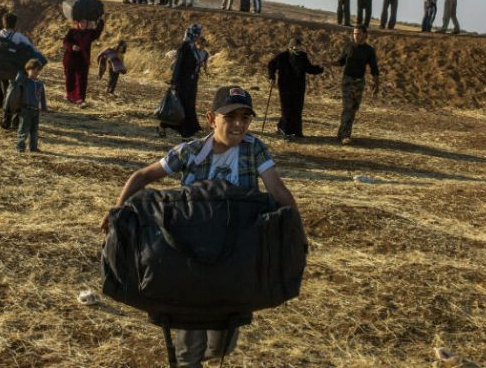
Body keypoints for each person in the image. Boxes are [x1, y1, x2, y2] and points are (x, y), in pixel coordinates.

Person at [100, 85, 298, 368]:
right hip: (188, 257)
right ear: (211, 119)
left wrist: (295, 230)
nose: (239, 124)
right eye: (230, 117)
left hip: (234, 259)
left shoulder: (254, 149)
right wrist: (118, 211)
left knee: (223, 343)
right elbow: (142, 176)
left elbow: (278, 190)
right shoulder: (190, 152)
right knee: (189, 344)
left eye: (245, 117)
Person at [322, 25, 379, 144]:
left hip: (359, 82)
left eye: (358, 33)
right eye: (354, 33)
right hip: (347, 80)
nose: (355, 36)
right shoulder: (349, 46)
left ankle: (342, 133)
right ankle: (344, 135)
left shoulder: (369, 50)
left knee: (353, 109)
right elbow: (341, 62)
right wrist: (330, 63)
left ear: (364, 35)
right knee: (347, 107)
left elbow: (374, 68)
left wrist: (376, 84)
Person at [268, 37, 324, 139]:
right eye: (294, 48)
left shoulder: (303, 56)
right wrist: (272, 77)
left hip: (298, 87)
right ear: (290, 47)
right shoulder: (282, 56)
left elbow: (309, 68)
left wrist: (320, 68)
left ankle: (297, 131)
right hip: (285, 86)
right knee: (287, 109)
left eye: (298, 48)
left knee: (297, 109)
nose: (296, 50)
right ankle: (286, 131)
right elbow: (271, 65)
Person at [0, 13, 43, 129]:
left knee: (7, 93)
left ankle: (6, 119)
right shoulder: (18, 36)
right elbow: (30, 47)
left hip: (1, 67)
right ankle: (15, 120)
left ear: (4, 22)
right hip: (14, 68)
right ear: (14, 24)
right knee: (17, 94)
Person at [159, 24, 204, 138]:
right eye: (196, 34)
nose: (198, 36)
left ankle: (184, 132)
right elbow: (178, 65)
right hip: (182, 83)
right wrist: (174, 82)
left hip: (191, 83)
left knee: (187, 106)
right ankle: (184, 133)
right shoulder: (184, 46)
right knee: (180, 107)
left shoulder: (193, 47)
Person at [63, 16, 105, 105]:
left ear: (87, 24)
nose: (83, 24)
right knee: (70, 78)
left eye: (85, 23)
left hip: (83, 59)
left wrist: (101, 20)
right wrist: (72, 46)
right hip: (71, 58)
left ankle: (80, 98)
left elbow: (98, 32)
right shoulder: (72, 31)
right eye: (81, 22)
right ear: (78, 23)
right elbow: (65, 42)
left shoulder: (90, 33)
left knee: (82, 80)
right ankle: (70, 95)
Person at [13, 59, 48, 153]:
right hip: (25, 109)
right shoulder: (24, 81)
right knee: (23, 129)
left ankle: (33, 147)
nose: (36, 72)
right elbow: (17, 80)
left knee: (34, 130)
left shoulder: (40, 83)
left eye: (38, 70)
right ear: (28, 70)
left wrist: (44, 106)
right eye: (33, 70)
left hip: (36, 110)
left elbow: (42, 96)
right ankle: (20, 147)